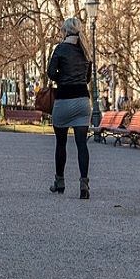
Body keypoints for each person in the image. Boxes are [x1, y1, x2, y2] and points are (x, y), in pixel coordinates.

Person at [47, 17, 93, 200]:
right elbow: (87, 78)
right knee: (82, 144)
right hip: (82, 101)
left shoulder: (60, 49)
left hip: (64, 99)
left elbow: (51, 73)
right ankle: (84, 183)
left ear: (64, 32)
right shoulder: (85, 51)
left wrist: (62, 79)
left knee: (61, 143)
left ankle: (60, 181)